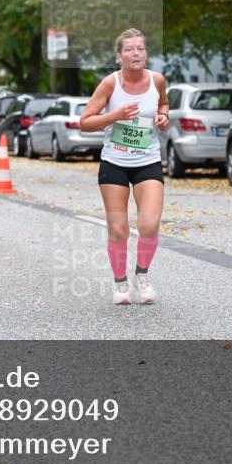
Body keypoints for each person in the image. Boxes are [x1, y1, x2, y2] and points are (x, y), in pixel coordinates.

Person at [79, 28, 169, 305]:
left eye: (140, 48)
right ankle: (120, 283)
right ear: (119, 56)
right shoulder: (110, 84)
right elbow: (85, 122)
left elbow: (163, 104)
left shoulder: (157, 80)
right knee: (119, 229)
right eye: (129, 49)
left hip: (148, 161)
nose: (136, 53)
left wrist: (164, 116)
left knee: (149, 223)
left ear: (146, 53)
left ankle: (142, 275)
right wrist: (115, 115)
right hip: (115, 163)